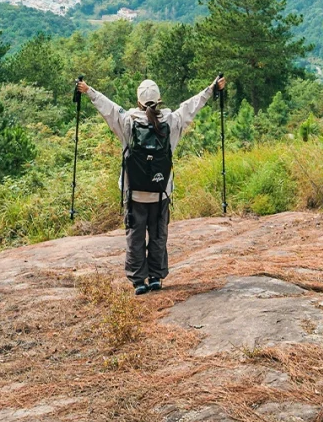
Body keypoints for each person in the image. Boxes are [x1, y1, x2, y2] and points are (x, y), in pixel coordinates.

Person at [76, 74, 225, 295]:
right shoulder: (172, 121)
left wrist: (88, 90)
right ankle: (156, 277)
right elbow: (192, 105)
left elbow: (108, 108)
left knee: (135, 236)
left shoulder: (127, 122)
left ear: (138, 101)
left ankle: (139, 281)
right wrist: (212, 87)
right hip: (160, 192)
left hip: (134, 193)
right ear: (160, 99)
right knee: (158, 235)